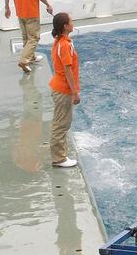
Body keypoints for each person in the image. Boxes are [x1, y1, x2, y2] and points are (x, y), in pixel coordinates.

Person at [49, 12, 80, 168]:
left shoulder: (60, 42)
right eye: (71, 21)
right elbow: (68, 70)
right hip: (63, 90)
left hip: (59, 87)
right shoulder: (65, 45)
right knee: (61, 124)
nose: (73, 23)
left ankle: (60, 154)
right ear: (65, 26)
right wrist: (75, 92)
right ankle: (59, 158)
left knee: (61, 122)